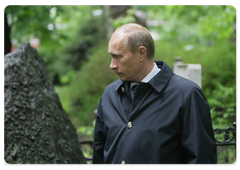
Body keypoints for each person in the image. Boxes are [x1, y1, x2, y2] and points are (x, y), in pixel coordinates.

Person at [92, 23, 217, 165]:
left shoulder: (186, 95)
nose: (112, 65)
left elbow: (202, 160)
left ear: (141, 53)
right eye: (111, 56)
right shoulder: (109, 94)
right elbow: (99, 155)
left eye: (118, 57)